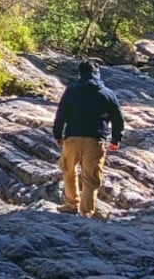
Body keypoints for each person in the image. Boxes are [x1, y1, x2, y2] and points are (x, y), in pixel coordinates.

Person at [52, 60, 125, 218]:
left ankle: (71, 205)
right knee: (91, 177)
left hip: (72, 138)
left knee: (68, 171)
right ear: (97, 73)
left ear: (81, 73)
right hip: (95, 140)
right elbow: (118, 119)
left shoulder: (71, 91)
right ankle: (86, 212)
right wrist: (115, 139)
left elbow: (61, 113)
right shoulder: (107, 93)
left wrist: (57, 134)